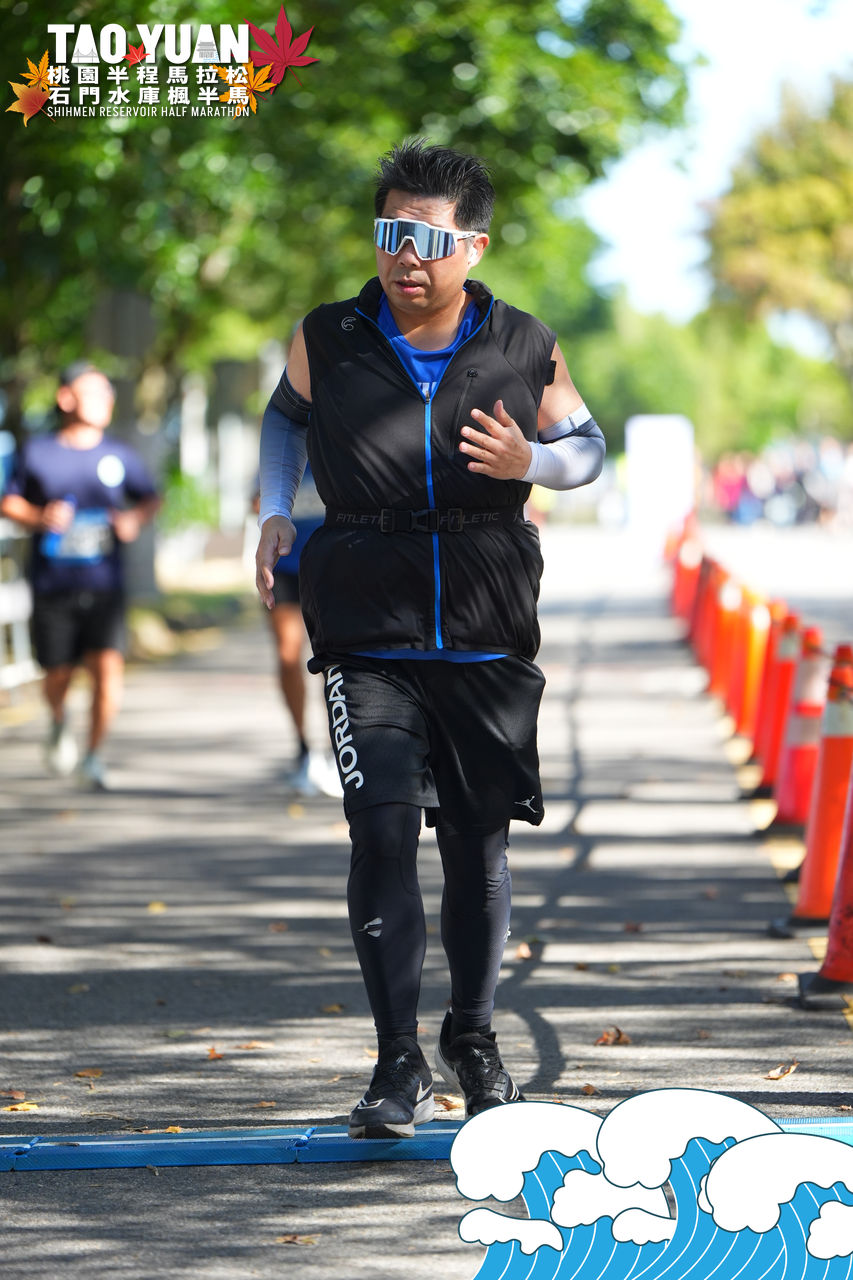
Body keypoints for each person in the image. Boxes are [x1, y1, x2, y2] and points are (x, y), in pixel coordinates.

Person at [255, 141, 605, 1139]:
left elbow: (588, 448)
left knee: (475, 845)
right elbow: (284, 421)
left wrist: (531, 458)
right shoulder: (328, 334)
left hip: (486, 623)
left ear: (472, 246)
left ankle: (473, 1036)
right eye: (389, 233)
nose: (405, 256)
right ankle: (395, 1061)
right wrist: (275, 509)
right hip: (364, 620)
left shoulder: (523, 341)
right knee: (378, 827)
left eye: (427, 239)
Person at [0, 362, 160, 790]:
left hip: (105, 584)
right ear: (66, 398)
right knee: (58, 673)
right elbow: (9, 501)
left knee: (108, 669)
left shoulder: (119, 454)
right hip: (52, 584)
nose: (106, 400)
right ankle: (57, 718)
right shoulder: (38, 452)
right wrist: (40, 516)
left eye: (109, 394)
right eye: (95, 392)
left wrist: (133, 519)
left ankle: (92, 755)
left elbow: (149, 497)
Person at [251, 464, 340, 797]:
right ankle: (304, 749)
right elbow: (256, 502)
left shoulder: (336, 443)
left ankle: (339, 749)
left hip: (333, 564)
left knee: (335, 660)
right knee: (289, 657)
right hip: (285, 568)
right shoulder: (282, 449)